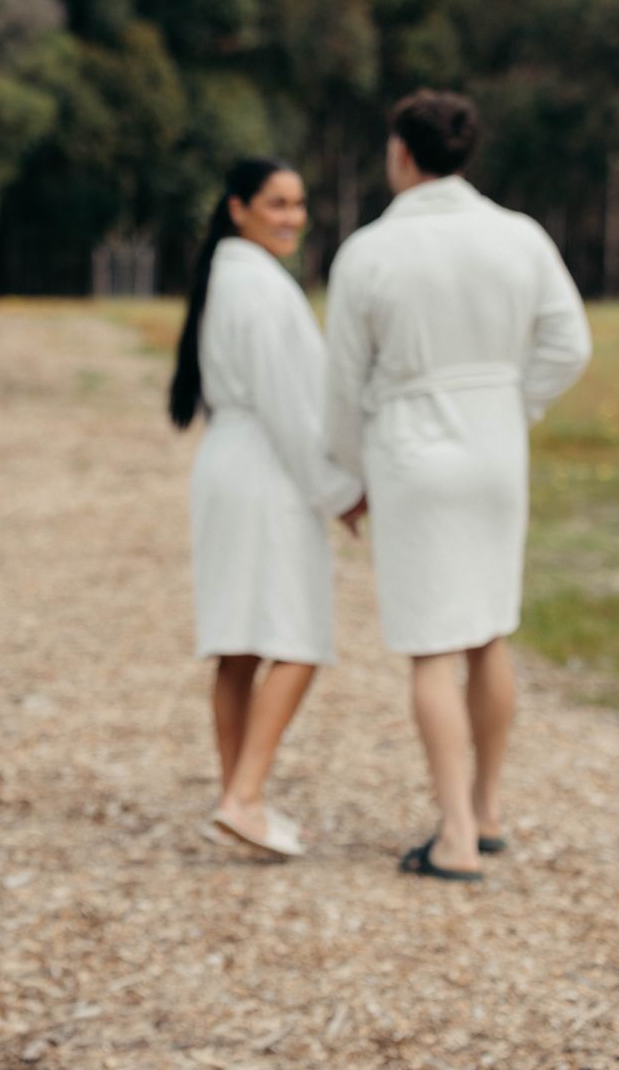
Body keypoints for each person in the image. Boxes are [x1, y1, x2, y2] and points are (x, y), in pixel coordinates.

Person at [324, 90, 591, 881]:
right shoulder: (520, 236)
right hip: (496, 448)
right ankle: (487, 806)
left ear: (403, 153)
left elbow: (341, 385)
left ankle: (453, 836)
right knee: (487, 631)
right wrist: (516, 399)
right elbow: (569, 344)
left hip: (413, 453)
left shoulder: (368, 251)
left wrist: (351, 475)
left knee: (431, 648)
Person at [172, 158, 365, 859]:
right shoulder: (256, 286)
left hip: (233, 460)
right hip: (263, 469)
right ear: (237, 208)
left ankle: (239, 798)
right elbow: (291, 407)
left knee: (241, 641)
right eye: (276, 203)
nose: (291, 217)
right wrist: (340, 492)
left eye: (299, 203)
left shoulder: (234, 278)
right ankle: (242, 796)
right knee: (297, 637)